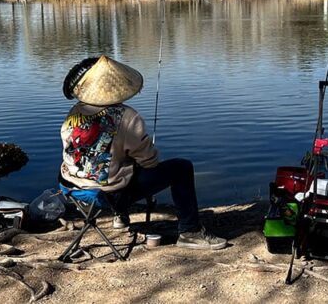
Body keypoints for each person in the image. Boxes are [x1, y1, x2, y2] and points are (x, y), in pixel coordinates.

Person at [60, 55, 227, 250]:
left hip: (71, 187)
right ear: (118, 85)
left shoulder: (74, 112)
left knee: (114, 164)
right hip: (107, 194)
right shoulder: (128, 117)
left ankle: (120, 216)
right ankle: (190, 232)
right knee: (181, 168)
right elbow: (149, 162)